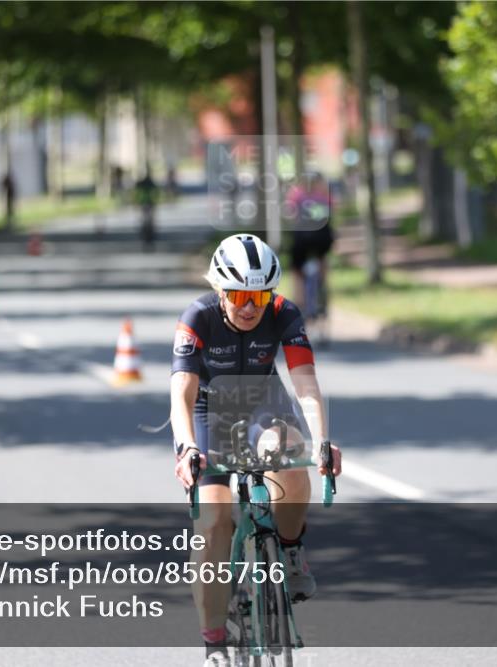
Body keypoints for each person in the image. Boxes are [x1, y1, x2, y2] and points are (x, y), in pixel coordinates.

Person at [170, 234, 342, 667]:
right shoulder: (197, 317)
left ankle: (290, 544)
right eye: (240, 295)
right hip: (212, 413)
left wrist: (322, 440)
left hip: (263, 406)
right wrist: (187, 447)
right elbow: (182, 394)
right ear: (219, 291)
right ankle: (213, 640)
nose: (250, 306)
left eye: (260, 295)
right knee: (213, 523)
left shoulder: (283, 312)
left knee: (293, 449)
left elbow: (305, 383)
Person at [286, 174, 334, 325]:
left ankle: (299, 302)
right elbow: (331, 212)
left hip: (302, 237)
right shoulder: (325, 194)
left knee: (296, 269)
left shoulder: (297, 194)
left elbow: (290, 212)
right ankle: (323, 289)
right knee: (323, 258)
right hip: (322, 238)